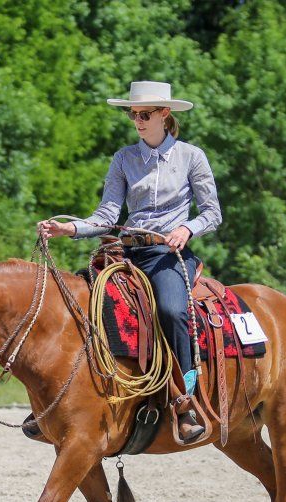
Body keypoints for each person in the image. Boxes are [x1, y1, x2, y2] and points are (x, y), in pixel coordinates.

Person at [37, 80, 222, 443]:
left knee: (171, 311)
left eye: (145, 114)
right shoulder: (123, 159)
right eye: (133, 113)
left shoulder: (191, 156)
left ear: (164, 114)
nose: (137, 120)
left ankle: (186, 402)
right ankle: (60, 399)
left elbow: (212, 213)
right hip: (125, 252)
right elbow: (107, 214)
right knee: (75, 304)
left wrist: (187, 228)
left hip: (167, 255)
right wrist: (69, 229)